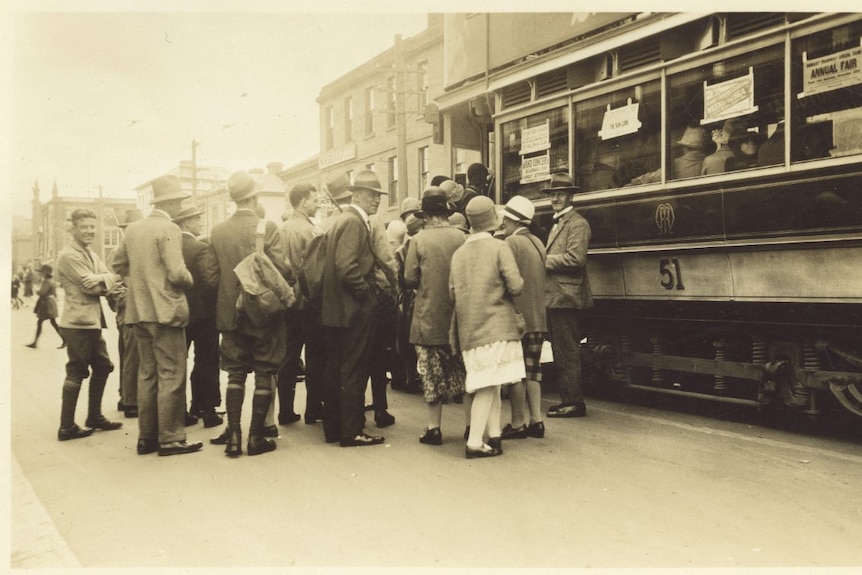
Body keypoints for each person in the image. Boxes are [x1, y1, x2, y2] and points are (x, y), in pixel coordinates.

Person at [112, 176, 201, 457]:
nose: (180, 206)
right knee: (172, 374)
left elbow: (117, 264)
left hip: (138, 313)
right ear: (172, 203)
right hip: (166, 312)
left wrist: (139, 284)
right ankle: (171, 439)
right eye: (180, 202)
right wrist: (188, 279)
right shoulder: (169, 228)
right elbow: (176, 273)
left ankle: (147, 437)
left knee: (147, 374)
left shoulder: (133, 230)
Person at [207, 171, 294, 457]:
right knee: (263, 371)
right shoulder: (265, 228)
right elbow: (282, 270)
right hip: (263, 314)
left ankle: (233, 436)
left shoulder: (217, 231)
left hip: (230, 315)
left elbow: (210, 276)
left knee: (234, 374)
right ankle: (256, 437)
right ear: (254, 197)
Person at [450, 196, 525, 459]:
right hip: (497, 327)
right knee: (487, 385)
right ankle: (473, 443)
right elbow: (515, 286)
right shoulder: (499, 247)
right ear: (492, 220)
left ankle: (494, 437)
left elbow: (452, 294)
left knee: (490, 383)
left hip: (469, 330)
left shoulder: (458, 254)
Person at [319, 169, 389, 447]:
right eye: (372, 195)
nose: (377, 201)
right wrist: (367, 294)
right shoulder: (355, 223)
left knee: (337, 367)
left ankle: (336, 428)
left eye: (378, 196)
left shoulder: (342, 220)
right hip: (353, 311)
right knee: (353, 369)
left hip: (338, 310)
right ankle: (351, 430)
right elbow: (346, 267)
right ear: (357, 194)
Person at [403, 186, 467, 446]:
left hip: (428, 317)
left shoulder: (418, 240)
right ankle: (470, 426)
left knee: (430, 374)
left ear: (425, 214)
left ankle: (434, 428)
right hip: (458, 317)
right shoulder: (461, 237)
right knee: (464, 373)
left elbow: (409, 278)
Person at [55, 208, 123, 441]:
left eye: (92, 227)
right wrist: (106, 279)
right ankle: (66, 426)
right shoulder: (69, 255)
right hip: (78, 323)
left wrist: (103, 279)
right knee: (77, 370)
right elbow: (91, 285)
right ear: (73, 229)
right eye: (84, 227)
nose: (89, 231)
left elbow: (107, 277)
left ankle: (94, 417)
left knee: (103, 366)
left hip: (89, 322)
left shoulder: (89, 253)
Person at [543, 171, 593, 418]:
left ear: (570, 196)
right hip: (557, 296)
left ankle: (573, 401)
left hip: (567, 296)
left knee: (567, 350)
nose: (555, 199)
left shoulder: (577, 223)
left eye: (560, 194)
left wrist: (542, 259)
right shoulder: (560, 222)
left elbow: (575, 259)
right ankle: (568, 399)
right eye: (552, 194)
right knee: (561, 350)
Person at [499, 196, 547, 440]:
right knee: (533, 370)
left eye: (506, 219)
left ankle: (517, 423)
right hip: (539, 317)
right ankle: (536, 421)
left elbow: (506, 282)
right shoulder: (538, 242)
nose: (503, 223)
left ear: (512, 220)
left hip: (517, 318)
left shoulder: (511, 243)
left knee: (515, 372)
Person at [277, 182, 324, 425]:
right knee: (315, 357)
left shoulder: (282, 229)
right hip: (309, 303)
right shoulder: (310, 231)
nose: (318, 204)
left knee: (288, 357)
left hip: (287, 301)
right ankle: (313, 409)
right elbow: (316, 272)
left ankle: (285, 410)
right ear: (303, 202)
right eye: (315, 200)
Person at [174, 203, 222, 428]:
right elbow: (211, 281)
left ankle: (184, 410)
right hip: (203, 315)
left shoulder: (171, 246)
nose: (199, 223)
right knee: (206, 361)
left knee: (178, 363)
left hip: (178, 313)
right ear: (186, 223)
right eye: (196, 219)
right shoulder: (199, 248)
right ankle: (208, 409)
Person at [112, 208, 143, 418]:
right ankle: (130, 401)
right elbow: (114, 288)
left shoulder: (139, 250)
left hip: (137, 311)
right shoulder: (119, 253)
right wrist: (130, 296)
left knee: (133, 356)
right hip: (128, 313)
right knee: (131, 356)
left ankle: (126, 395)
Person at [25, 263, 65, 349]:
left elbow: (42, 293)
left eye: (42, 272)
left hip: (46, 304)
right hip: (49, 303)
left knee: (41, 322)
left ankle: (35, 343)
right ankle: (65, 340)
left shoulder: (47, 281)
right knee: (53, 323)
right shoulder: (51, 281)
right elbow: (54, 293)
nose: (40, 273)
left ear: (46, 273)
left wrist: (36, 290)